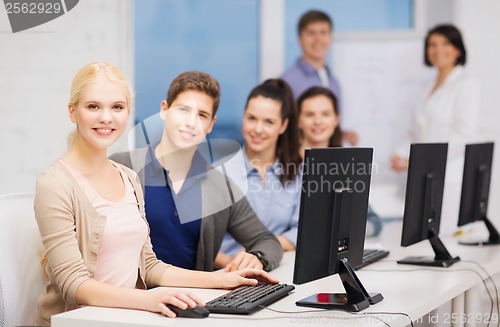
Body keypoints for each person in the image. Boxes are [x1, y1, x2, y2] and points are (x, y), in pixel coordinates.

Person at [34, 62, 278, 326]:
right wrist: (152, 299)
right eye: (93, 106)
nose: (106, 117)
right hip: (98, 315)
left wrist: (224, 279)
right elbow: (73, 282)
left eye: (117, 107)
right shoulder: (100, 173)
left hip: (154, 311)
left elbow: (149, 265)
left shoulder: (127, 177)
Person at [110, 71, 283, 274]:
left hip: (193, 301)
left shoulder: (221, 188)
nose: (191, 122)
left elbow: (267, 241)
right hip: (129, 301)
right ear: (164, 110)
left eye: (202, 115)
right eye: (183, 110)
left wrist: (257, 258)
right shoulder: (122, 166)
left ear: (211, 124)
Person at [390, 24, 480, 234]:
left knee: (447, 237)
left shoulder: (467, 84)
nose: (438, 49)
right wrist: (400, 153)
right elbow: (416, 131)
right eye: (432, 44)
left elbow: (465, 135)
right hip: (426, 175)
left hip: (451, 178)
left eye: (445, 43)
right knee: (425, 237)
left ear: (458, 49)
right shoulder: (426, 86)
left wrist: (424, 159)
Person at [216, 79, 302, 270]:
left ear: (283, 125)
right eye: (252, 118)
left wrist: (263, 252)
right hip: (230, 273)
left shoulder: (297, 173)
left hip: (283, 268)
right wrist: (236, 264)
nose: (257, 129)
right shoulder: (218, 174)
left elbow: (304, 230)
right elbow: (200, 243)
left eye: (269, 122)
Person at [297, 86, 383, 237]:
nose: (318, 121)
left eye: (325, 114)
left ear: (336, 119)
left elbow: (374, 222)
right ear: (298, 121)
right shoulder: (284, 164)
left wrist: (341, 233)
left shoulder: (341, 167)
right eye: (309, 114)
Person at [281, 9, 358, 146]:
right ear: (300, 39)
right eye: (311, 33)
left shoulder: (334, 82)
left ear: (330, 37)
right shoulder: (287, 82)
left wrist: (341, 134)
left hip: (330, 160)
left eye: (323, 32)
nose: (318, 39)